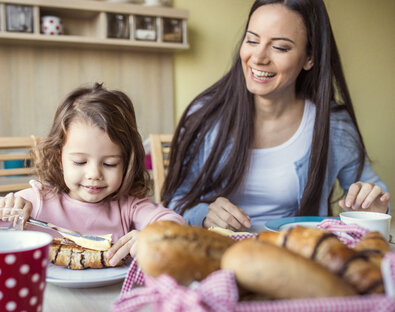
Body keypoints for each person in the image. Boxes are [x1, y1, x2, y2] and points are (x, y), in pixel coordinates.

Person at [162, 0, 390, 232]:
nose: (259, 57)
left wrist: (371, 207)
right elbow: (173, 202)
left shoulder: (332, 125)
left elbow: (373, 195)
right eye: (252, 40)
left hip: (296, 259)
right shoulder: (205, 115)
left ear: (309, 57)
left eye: (280, 47)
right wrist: (204, 215)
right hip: (218, 257)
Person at [0, 83, 184, 265]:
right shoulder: (40, 202)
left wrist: (152, 237)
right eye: (80, 161)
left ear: (128, 162)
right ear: (59, 157)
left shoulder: (128, 206)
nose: (94, 174)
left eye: (110, 164)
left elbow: (177, 225)